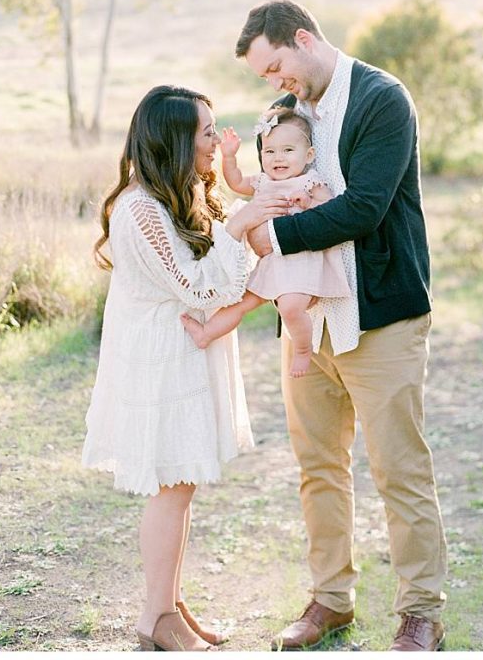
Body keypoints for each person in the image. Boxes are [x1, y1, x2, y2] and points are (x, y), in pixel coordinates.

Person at [236, 0, 449, 652]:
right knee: (318, 469)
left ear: (303, 38)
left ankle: (420, 614)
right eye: (264, 78)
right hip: (309, 325)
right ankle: (330, 601)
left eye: (276, 67)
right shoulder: (288, 117)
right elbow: (270, 182)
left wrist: (266, 236)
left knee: (399, 470)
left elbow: (362, 208)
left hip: (379, 317)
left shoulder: (382, 100)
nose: (276, 84)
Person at [81, 85, 290, 652]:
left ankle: (169, 603)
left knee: (182, 487)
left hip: (183, 354)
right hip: (162, 361)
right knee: (171, 489)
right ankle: (156, 618)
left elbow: (219, 280)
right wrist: (242, 221)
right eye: (204, 132)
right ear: (173, 138)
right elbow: (200, 289)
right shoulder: (140, 209)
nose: (212, 142)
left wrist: (238, 220)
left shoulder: (173, 199)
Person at [181, 106, 351, 377]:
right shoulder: (263, 182)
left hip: (301, 264)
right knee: (240, 302)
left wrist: (308, 203)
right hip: (272, 265)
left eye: (287, 151)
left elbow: (330, 210)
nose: (278, 158)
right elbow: (236, 182)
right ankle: (205, 333)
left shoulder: (310, 182)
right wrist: (229, 156)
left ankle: (303, 350)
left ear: (309, 155)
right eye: (269, 151)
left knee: (290, 307)